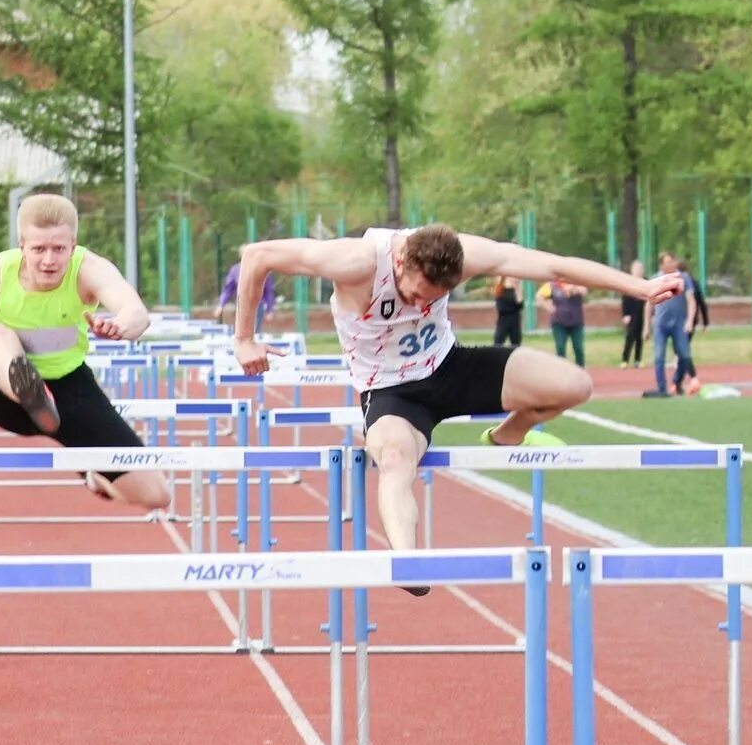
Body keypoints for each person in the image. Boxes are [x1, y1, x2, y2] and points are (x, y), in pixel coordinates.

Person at [228, 224, 676, 585]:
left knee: (574, 385)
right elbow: (258, 256)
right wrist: (245, 338)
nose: (423, 304)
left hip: (450, 367)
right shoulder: (356, 261)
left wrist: (638, 286)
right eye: (417, 294)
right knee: (396, 458)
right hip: (391, 391)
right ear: (400, 262)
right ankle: (408, 562)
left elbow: (552, 265)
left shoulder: (462, 255)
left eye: (435, 298)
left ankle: (507, 435)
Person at [0, 192, 169, 510]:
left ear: (73, 245)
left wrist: (121, 325)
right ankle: (30, 391)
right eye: (39, 249)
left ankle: (91, 475)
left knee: (157, 495)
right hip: (8, 395)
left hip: (69, 388)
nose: (49, 260)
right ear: (21, 247)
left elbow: (136, 312)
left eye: (59, 249)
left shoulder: (89, 269)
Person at [646, 252, 694, 396]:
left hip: (679, 324)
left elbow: (691, 300)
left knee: (685, 356)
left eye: (673, 261)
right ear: (662, 265)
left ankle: (677, 381)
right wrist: (646, 327)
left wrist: (690, 320)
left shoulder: (683, 278)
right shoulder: (656, 279)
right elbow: (648, 304)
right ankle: (662, 389)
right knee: (659, 357)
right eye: (668, 262)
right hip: (660, 324)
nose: (671, 264)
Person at [215, 258, 279, 331]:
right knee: (241, 331)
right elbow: (228, 289)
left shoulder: (261, 269)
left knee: (254, 331)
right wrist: (221, 305)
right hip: (241, 305)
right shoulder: (236, 270)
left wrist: (270, 309)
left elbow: (269, 291)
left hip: (257, 305)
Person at [542, 277, 585, 365]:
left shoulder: (577, 281)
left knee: (578, 348)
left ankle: (580, 369)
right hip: (559, 322)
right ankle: (562, 370)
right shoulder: (552, 285)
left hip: (576, 321)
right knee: (560, 347)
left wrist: (573, 288)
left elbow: (583, 291)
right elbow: (539, 296)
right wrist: (548, 307)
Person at [619, 260, 646, 366]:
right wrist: (625, 315)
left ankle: (637, 360)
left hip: (642, 313)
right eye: (637, 269)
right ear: (632, 270)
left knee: (640, 338)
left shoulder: (646, 282)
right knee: (630, 337)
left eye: (640, 269)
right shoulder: (629, 282)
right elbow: (625, 300)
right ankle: (625, 359)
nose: (639, 271)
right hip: (632, 314)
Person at [490, 275, 524, 354]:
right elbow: (501, 308)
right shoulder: (500, 289)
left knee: (516, 345)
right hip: (503, 320)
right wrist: (514, 308)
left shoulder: (516, 290)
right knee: (498, 343)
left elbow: (520, 306)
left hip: (515, 320)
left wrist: (518, 291)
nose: (515, 279)